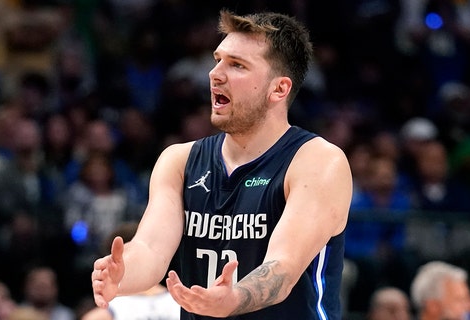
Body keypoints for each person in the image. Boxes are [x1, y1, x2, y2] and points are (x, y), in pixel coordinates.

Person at [91, 9, 353, 319]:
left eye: (237, 65)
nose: (215, 74)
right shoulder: (179, 160)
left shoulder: (317, 161)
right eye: (218, 59)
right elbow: (150, 248)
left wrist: (235, 297)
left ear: (279, 89)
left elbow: (282, 267)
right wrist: (121, 274)